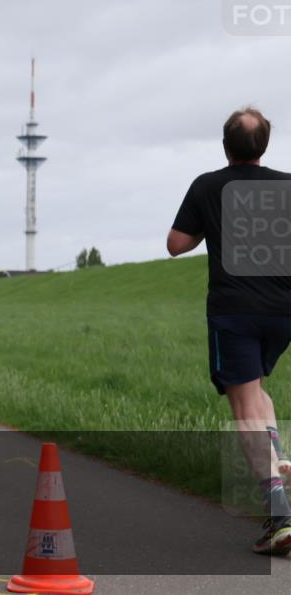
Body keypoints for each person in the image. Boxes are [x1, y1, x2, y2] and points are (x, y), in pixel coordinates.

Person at [168, 107, 291, 555]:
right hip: (282, 312)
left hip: (234, 312)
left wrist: (210, 222)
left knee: (244, 409)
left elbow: (176, 245)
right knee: (260, 397)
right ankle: (278, 463)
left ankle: (279, 515)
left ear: (226, 146)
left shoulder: (207, 185)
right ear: (265, 147)